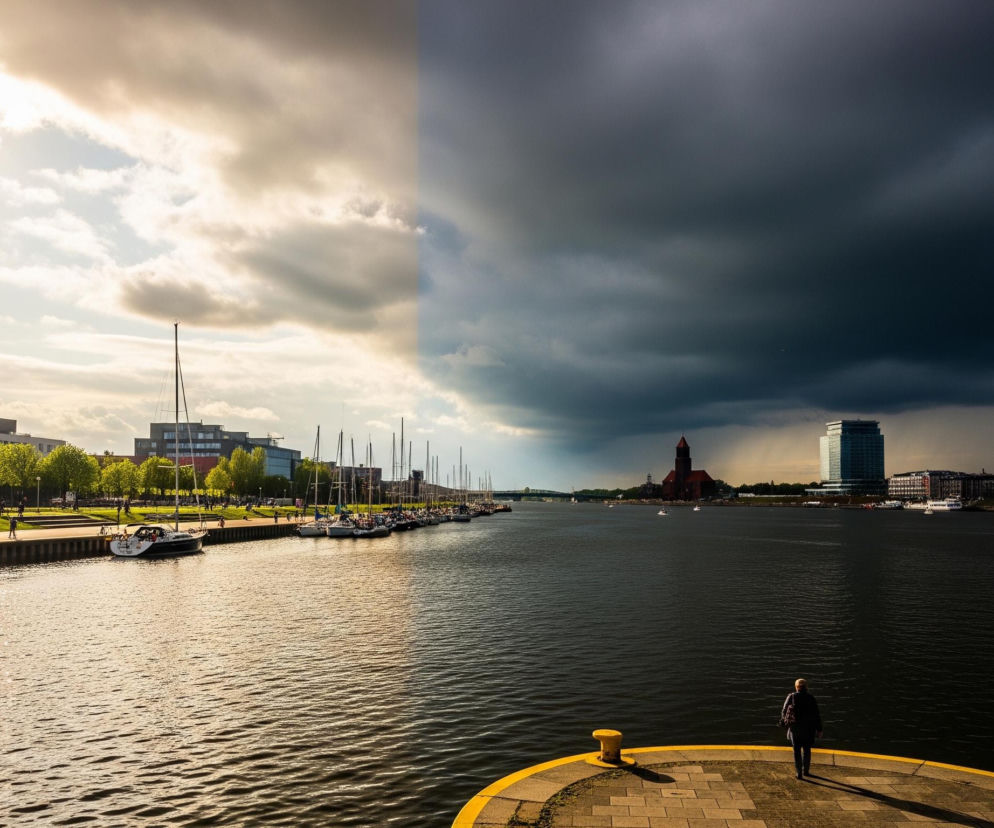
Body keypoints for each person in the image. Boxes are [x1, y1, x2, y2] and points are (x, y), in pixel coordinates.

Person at [781, 678, 823, 779]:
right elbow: (816, 715)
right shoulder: (811, 698)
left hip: (795, 729)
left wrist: (786, 722)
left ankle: (799, 773)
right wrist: (819, 729)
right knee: (807, 750)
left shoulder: (791, 697)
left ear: (796, 687)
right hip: (809, 729)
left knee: (796, 750)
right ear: (806, 687)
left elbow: (784, 711)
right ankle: (806, 771)